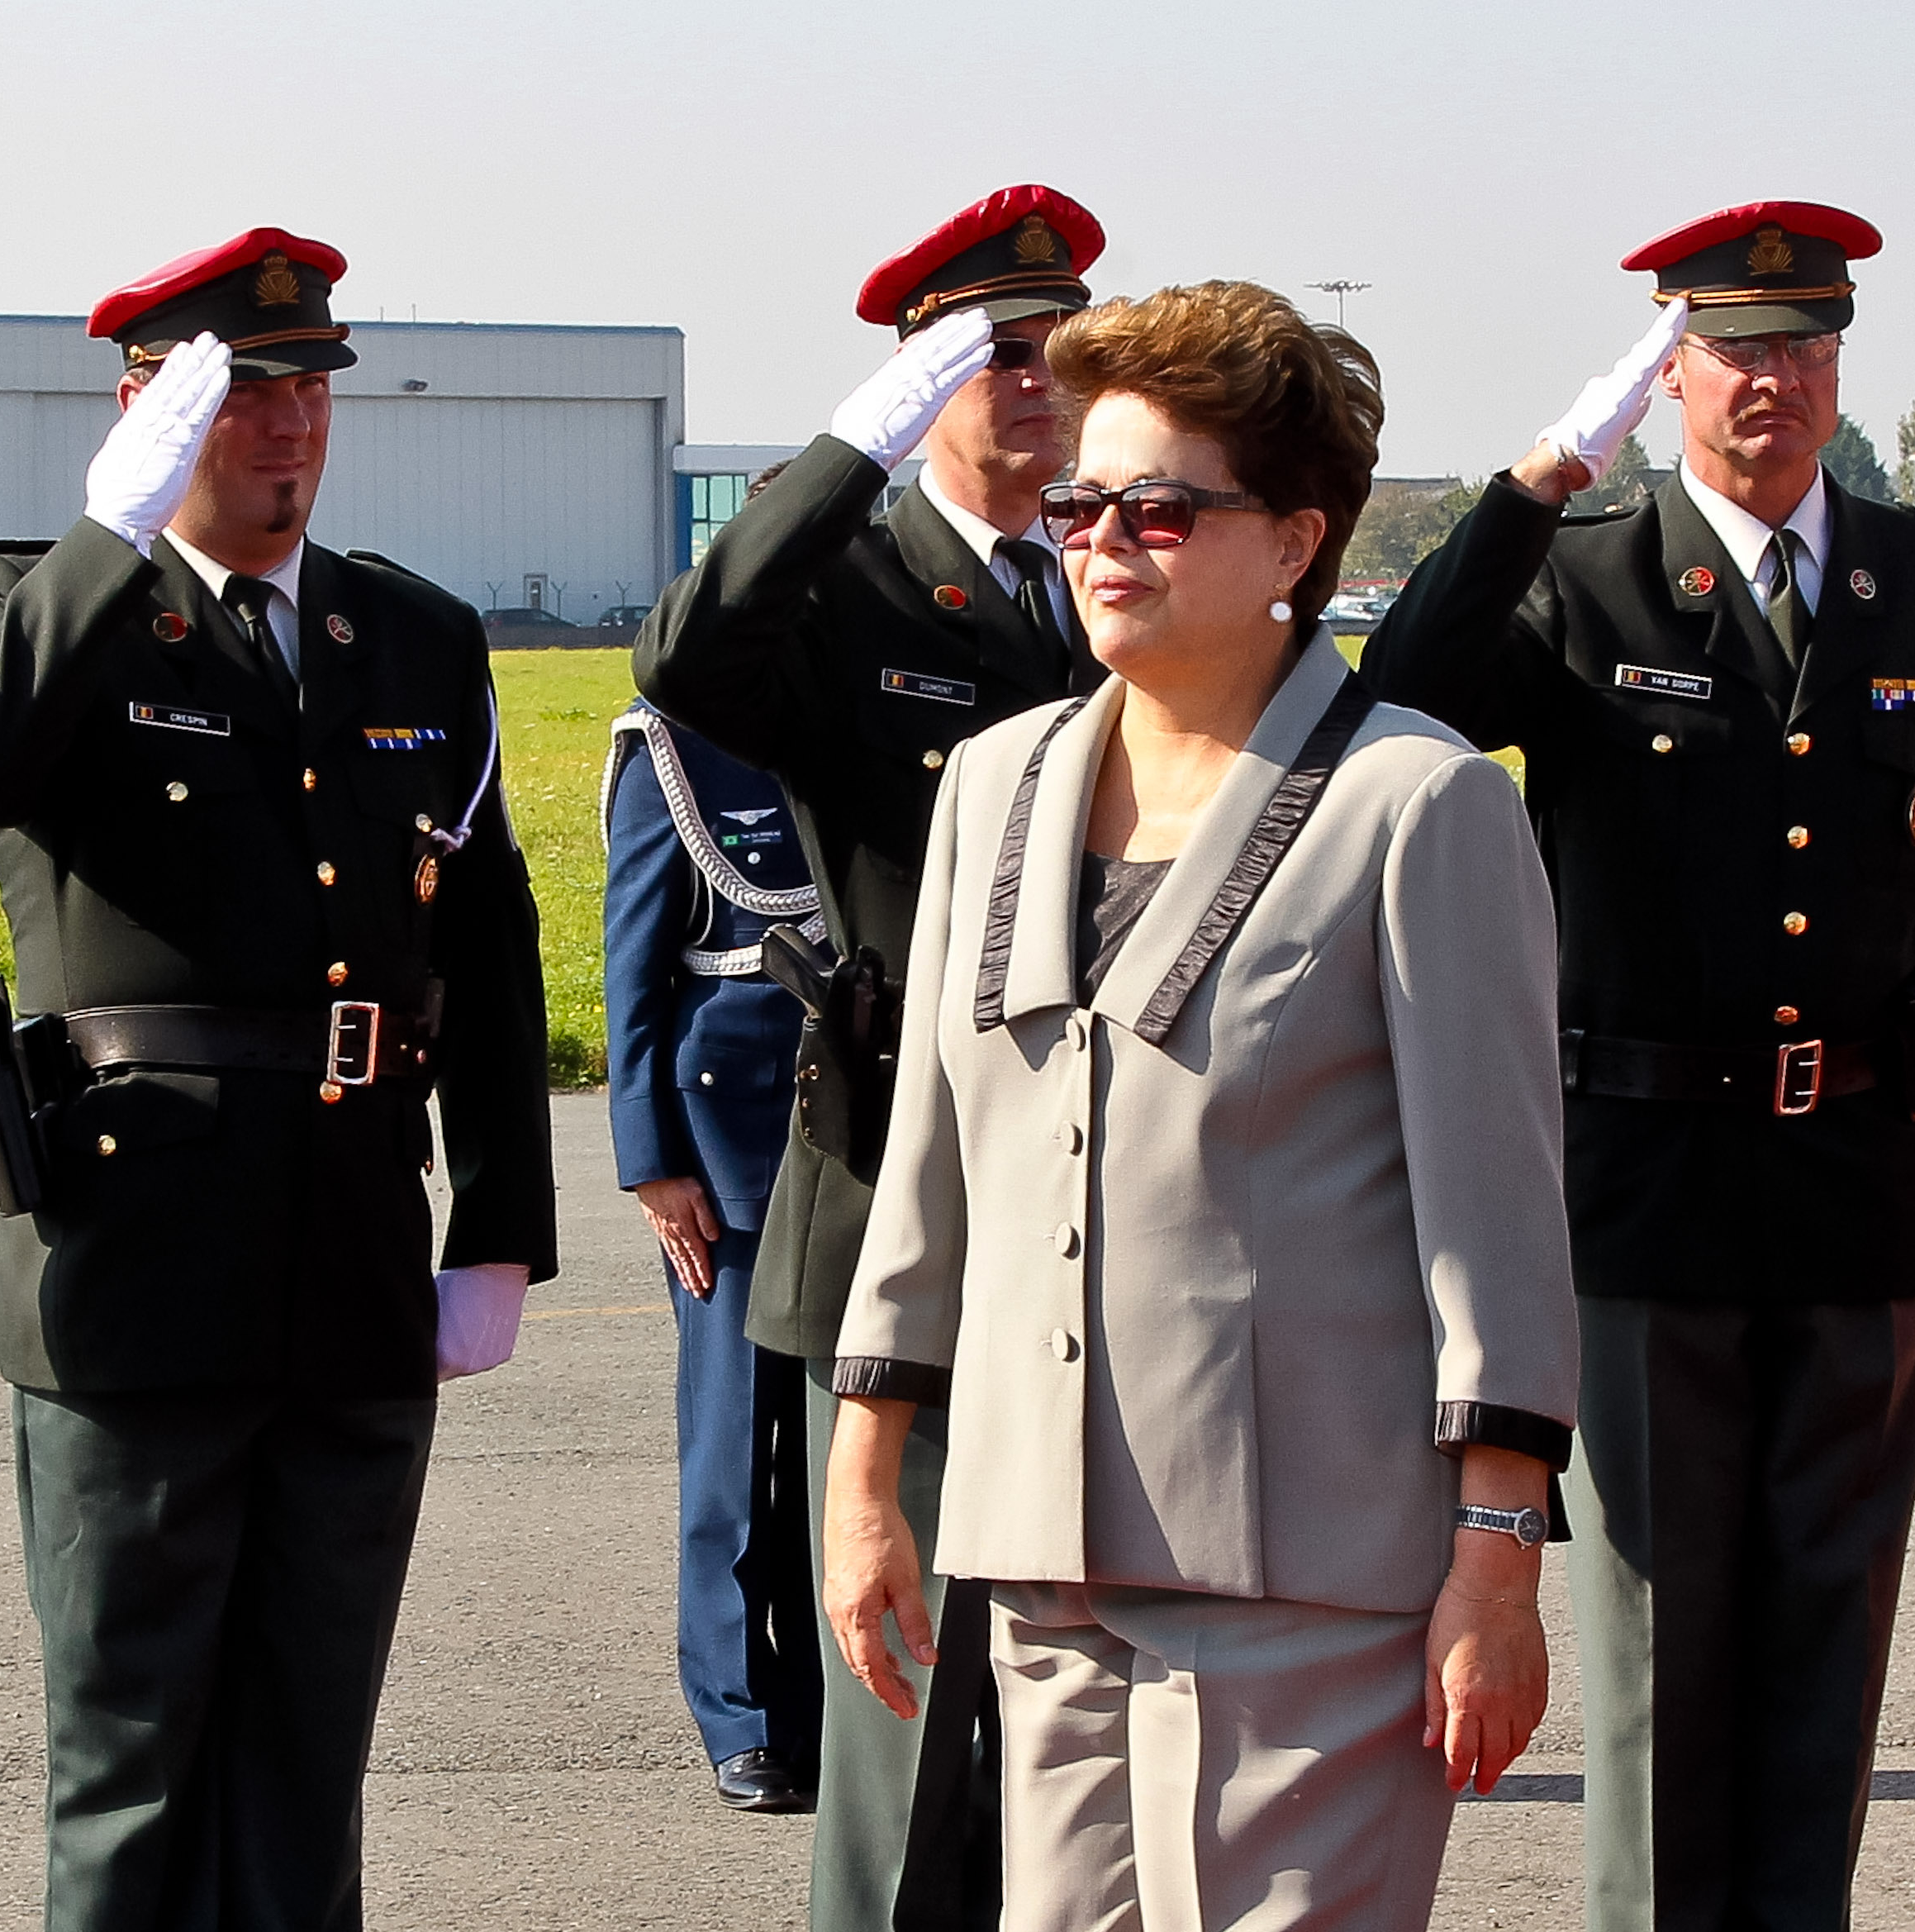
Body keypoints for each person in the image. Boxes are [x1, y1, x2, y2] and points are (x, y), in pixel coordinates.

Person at [824, 279, 1580, 1926]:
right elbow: (931, 1164)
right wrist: (865, 1475)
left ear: (1294, 541)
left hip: (1313, 1570)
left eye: (1160, 509)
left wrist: (1496, 1555)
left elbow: (1496, 1225)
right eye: (1079, 504)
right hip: (1041, 1549)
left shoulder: (1416, 800)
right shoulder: (994, 779)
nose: (1104, 540)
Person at [0, 227, 558, 1932]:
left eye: (309, 387)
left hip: (351, 1246)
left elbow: (484, 931)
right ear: (147, 407)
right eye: (245, 391)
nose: (290, 423)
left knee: (306, 1754)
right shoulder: (37, 603)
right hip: (137, 1259)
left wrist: (497, 1219)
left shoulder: (407, 633)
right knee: (130, 1761)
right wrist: (106, 536)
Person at [1361, 200, 1915, 1928]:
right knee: (1662, 1644)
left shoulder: (1905, 572)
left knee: (1830, 1637)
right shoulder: (1584, 570)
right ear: (1667, 371)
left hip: (1860, 1188)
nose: (1773, 379)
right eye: (1733, 348)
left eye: (1805, 343)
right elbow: (1403, 695)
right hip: (1642, 1188)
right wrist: (1536, 481)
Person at [634, 183, 1107, 1931]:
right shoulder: (850, 583)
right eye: (1001, 352)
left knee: (1079, 1714)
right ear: (924, 378)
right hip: (913, 1178)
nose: (1043, 379)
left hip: (1106, 1189)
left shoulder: (1115, 573)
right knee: (910, 1708)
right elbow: (690, 659)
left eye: (1064, 345)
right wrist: (858, 445)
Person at [602, 687, 826, 1811]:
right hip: (726, 1123)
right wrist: (650, 1159)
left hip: (864, 1118)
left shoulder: (866, 711)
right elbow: (633, 961)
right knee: (737, 1437)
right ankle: (742, 1714)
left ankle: (835, 1702)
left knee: (846, 1432)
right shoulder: (674, 747)